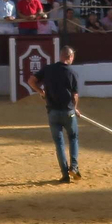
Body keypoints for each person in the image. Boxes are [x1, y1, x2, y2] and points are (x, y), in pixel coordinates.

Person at [27, 45, 81, 183]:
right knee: (73, 138)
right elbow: (74, 95)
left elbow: (31, 81)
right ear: (70, 57)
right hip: (68, 112)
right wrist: (75, 108)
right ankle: (73, 167)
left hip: (53, 112)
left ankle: (64, 174)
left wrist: (41, 91)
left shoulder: (48, 69)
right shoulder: (73, 73)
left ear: (60, 55)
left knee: (59, 144)